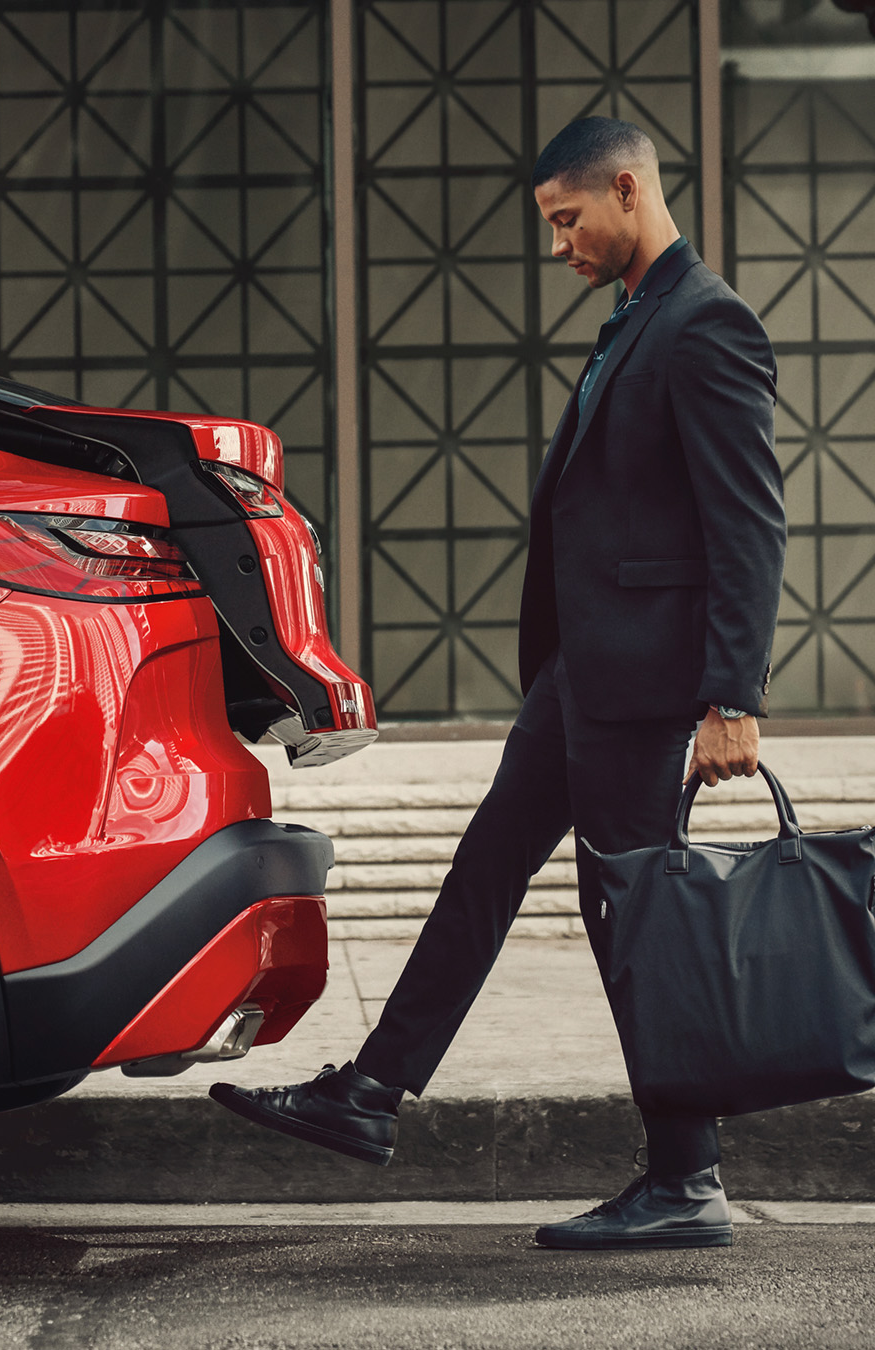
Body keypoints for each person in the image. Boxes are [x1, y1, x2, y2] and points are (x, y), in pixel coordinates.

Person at [210, 117, 787, 1251]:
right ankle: (371, 1093)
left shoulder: (705, 322)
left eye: (569, 220)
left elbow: (749, 523)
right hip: (585, 676)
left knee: (632, 920)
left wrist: (732, 699)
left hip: (648, 685)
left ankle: (687, 1176)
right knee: (484, 867)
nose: (561, 245)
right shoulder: (635, 320)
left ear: (629, 190)